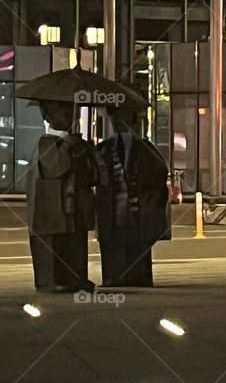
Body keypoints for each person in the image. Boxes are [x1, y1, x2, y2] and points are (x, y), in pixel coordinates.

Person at [26, 99, 104, 293]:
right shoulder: (46, 143)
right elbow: (56, 167)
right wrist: (71, 146)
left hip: (75, 204)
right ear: (48, 114)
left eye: (72, 110)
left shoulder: (78, 143)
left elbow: (95, 174)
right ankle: (52, 280)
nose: (70, 115)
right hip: (51, 205)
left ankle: (76, 277)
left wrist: (83, 151)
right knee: (54, 244)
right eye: (64, 110)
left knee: (76, 243)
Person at [95, 105, 171, 287]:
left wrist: (152, 200)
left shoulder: (146, 150)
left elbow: (159, 176)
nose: (120, 123)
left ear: (134, 120)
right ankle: (113, 277)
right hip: (111, 214)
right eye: (116, 118)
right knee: (113, 248)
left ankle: (138, 277)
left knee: (138, 249)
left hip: (139, 213)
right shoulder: (102, 150)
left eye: (125, 117)